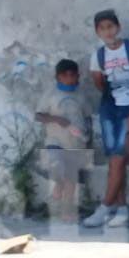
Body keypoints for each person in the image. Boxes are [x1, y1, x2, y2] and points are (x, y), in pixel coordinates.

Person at [82, 8, 129, 228]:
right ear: (97, 32)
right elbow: (100, 84)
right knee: (114, 159)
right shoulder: (98, 56)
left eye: (110, 26)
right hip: (110, 110)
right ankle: (121, 209)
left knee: (120, 157)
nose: (108, 32)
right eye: (102, 28)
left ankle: (104, 207)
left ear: (118, 27)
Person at [34, 58, 92, 223]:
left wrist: (88, 138)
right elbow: (38, 116)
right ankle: (57, 188)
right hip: (55, 141)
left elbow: (87, 117)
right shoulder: (51, 94)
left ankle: (67, 211)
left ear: (78, 76)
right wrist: (57, 120)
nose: (69, 79)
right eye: (65, 75)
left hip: (76, 143)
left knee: (71, 178)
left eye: (72, 75)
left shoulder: (81, 94)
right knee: (58, 167)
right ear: (58, 77)